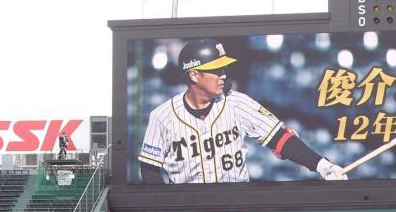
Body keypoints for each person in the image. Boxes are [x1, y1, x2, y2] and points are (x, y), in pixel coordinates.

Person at [138, 38, 347, 184]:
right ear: (194, 75)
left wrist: (321, 165)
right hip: (186, 208)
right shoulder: (162, 116)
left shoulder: (237, 103)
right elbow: (149, 169)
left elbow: (280, 138)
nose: (223, 74)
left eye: (223, 68)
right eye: (216, 70)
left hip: (235, 204)